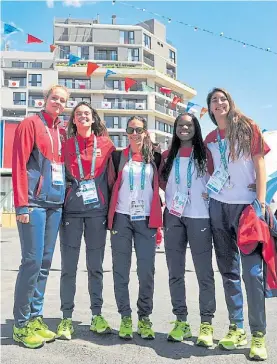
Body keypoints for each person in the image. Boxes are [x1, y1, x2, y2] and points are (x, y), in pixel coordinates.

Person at [205, 87, 270, 360]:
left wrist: (261, 201)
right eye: (213, 101)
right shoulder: (209, 138)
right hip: (218, 207)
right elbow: (211, 171)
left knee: (252, 273)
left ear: (230, 103)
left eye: (223, 99)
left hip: (246, 208)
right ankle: (237, 327)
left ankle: (258, 335)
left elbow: (260, 165)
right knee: (228, 271)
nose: (219, 103)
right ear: (209, 108)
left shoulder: (247, 127)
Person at [12, 85, 69, 349]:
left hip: (54, 205)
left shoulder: (61, 130)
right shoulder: (30, 124)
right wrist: (21, 205)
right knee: (32, 261)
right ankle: (21, 325)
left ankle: (35, 317)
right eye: (54, 98)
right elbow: (19, 165)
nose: (58, 102)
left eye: (63, 100)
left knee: (45, 262)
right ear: (45, 100)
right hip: (33, 204)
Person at [56, 102, 115, 340]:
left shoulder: (106, 145)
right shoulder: (65, 145)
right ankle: (66, 318)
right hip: (70, 213)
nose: (83, 116)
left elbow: (115, 177)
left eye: (87, 113)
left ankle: (97, 315)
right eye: (78, 114)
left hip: (97, 213)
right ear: (73, 120)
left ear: (93, 118)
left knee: (95, 267)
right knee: (68, 268)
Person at [159, 113, 216, 347]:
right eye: (180, 125)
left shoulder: (206, 153)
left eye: (189, 125)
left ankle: (206, 323)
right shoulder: (166, 156)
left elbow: (219, 177)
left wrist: (209, 192)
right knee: (175, 272)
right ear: (175, 128)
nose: (184, 128)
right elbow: (162, 182)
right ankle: (181, 320)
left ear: (196, 127)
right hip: (173, 216)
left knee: (204, 273)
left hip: (199, 216)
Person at [108, 116, 162, 340]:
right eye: (131, 129)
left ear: (146, 132)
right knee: (121, 270)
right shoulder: (118, 156)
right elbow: (110, 183)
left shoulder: (156, 157)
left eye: (139, 129)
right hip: (122, 217)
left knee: (146, 271)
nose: (135, 133)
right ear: (126, 132)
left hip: (146, 220)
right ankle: (125, 317)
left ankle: (145, 317)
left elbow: (167, 182)